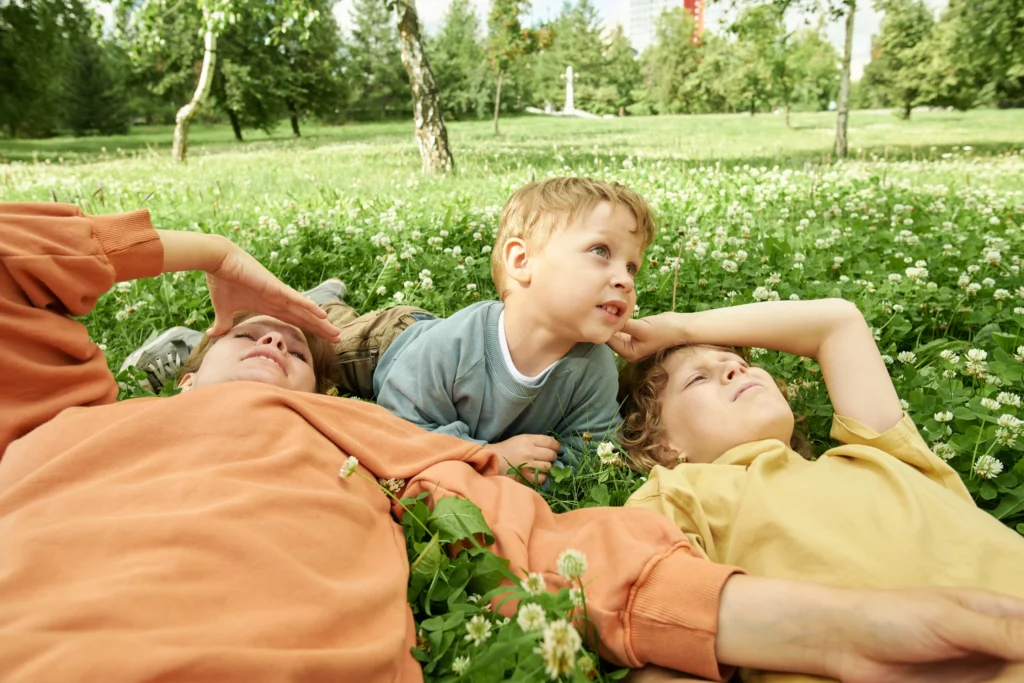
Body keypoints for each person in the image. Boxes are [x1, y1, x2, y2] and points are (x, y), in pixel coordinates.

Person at [5, 204, 1024, 682]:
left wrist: (842, 631)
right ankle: (318, 311)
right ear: (183, 375)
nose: (272, 340)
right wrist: (219, 253)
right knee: (360, 333)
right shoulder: (63, 415)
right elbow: (18, 252)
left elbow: (560, 553)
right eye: (246, 336)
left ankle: (335, 315)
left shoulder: (374, 442)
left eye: (292, 346)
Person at [125, 177, 654, 485]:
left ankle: (326, 302)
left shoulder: (593, 367)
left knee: (314, 343)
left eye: (632, 266)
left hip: (420, 346)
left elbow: (591, 449)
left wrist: (541, 472)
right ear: (522, 262)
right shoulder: (455, 347)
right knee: (316, 342)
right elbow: (401, 425)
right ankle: (294, 311)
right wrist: (492, 457)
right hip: (391, 347)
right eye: (601, 252)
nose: (623, 278)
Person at [611, 298, 1024, 682]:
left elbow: (838, 322)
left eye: (738, 362)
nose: (736, 369)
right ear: (662, 444)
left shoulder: (875, 453)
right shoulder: (680, 493)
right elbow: (647, 612)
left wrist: (681, 328)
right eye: (698, 379)